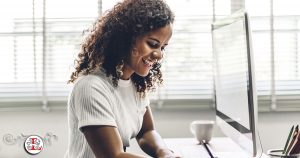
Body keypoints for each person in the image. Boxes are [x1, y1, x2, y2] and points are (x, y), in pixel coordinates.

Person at [65, 0, 178, 157]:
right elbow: (113, 155)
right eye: (152, 44)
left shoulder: (135, 83)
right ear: (126, 38)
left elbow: (146, 132)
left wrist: (164, 153)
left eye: (162, 47)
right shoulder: (91, 86)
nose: (159, 55)